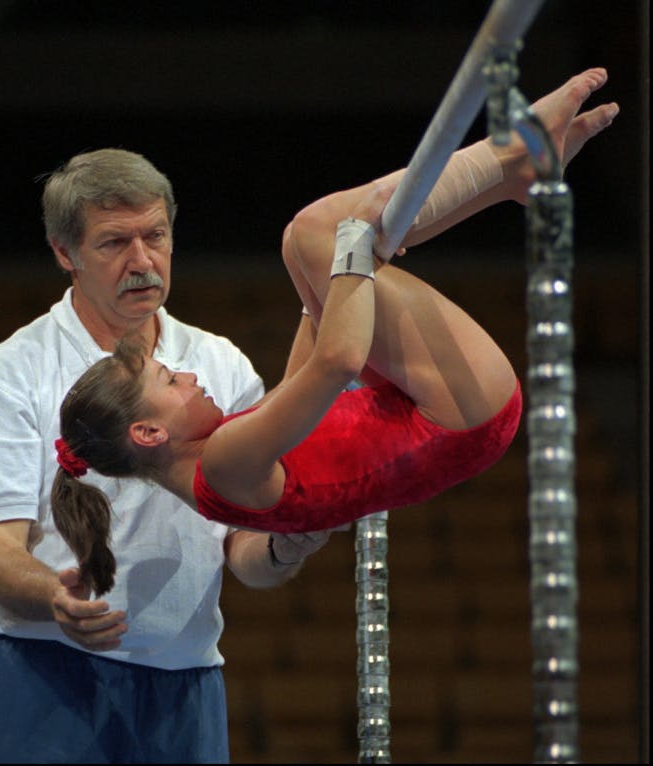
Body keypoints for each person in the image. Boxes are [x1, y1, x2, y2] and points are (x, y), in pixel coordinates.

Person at [49, 69, 618, 599]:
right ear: (148, 432)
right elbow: (337, 363)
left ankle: (507, 175)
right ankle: (509, 155)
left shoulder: (217, 460)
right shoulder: (221, 463)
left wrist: (318, 283)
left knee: (306, 240)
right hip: (460, 414)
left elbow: (303, 375)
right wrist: (345, 249)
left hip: (435, 411)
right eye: (170, 379)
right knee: (322, 231)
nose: (191, 375)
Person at [0, 148, 339, 764]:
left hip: (186, 688)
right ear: (64, 254)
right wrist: (55, 594)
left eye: (155, 235)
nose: (142, 261)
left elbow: (243, 553)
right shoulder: (8, 377)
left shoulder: (220, 368)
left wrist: (283, 547)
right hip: (37, 679)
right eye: (113, 244)